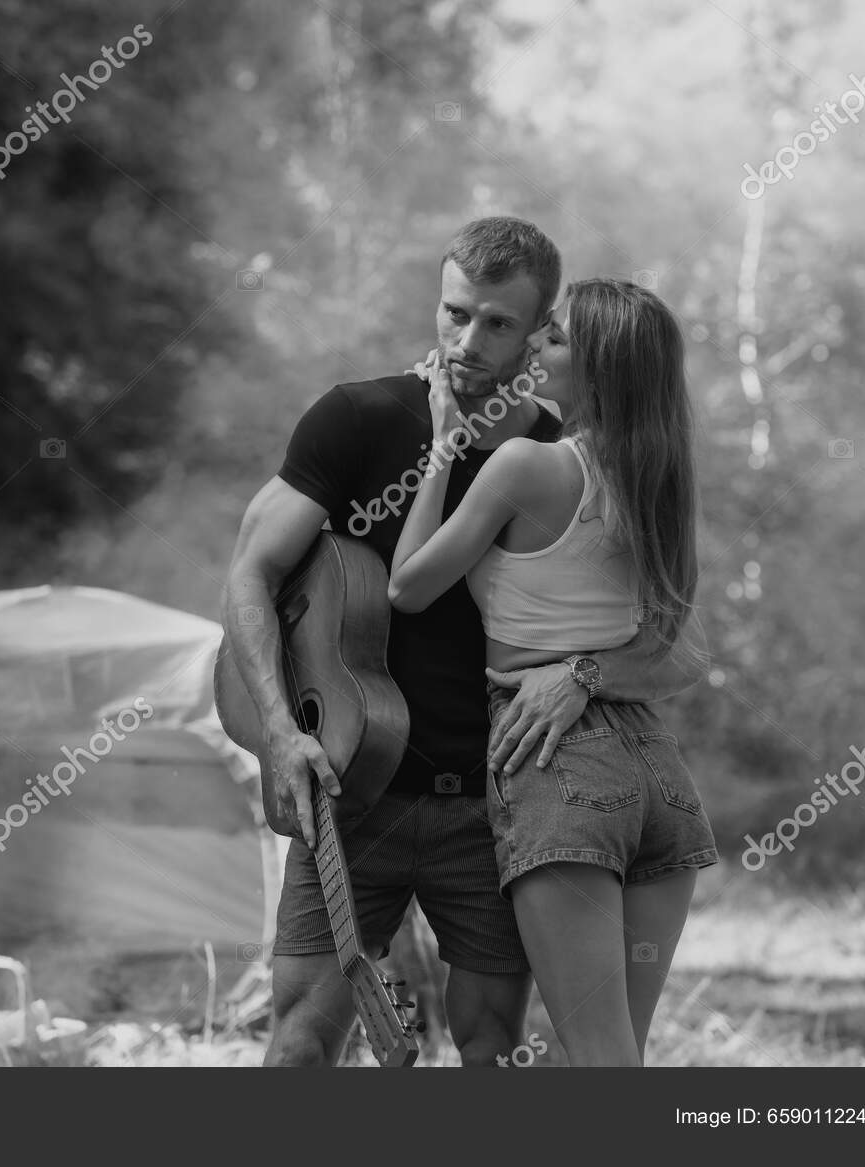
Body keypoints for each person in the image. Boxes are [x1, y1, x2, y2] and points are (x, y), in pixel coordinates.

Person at [222, 217, 694, 1067]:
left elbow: (672, 644)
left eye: (499, 323)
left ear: (541, 332)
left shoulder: (564, 453)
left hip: (496, 798)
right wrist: (281, 731)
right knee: (300, 1043)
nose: (468, 341)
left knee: (491, 1048)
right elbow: (252, 570)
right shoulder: (359, 417)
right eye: (455, 313)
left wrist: (581, 676)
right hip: (350, 791)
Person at [388, 277, 717, 1066]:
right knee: (618, 1056)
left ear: (598, 371)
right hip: (657, 773)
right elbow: (685, 651)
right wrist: (587, 670)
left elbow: (408, 586)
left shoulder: (523, 465)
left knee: (598, 1059)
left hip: (558, 763)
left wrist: (442, 445)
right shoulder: (656, 480)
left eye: (558, 337)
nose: (537, 342)